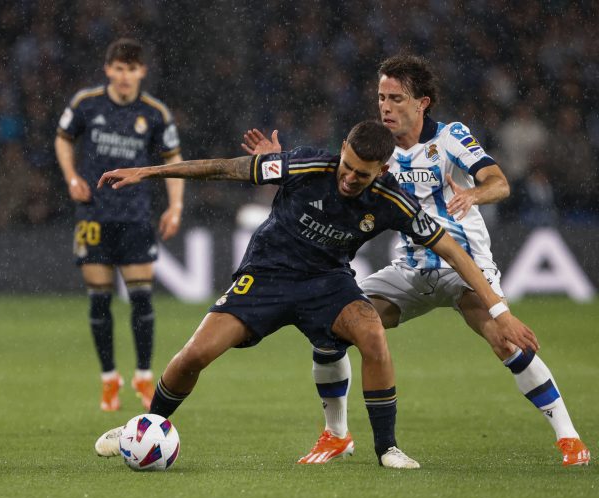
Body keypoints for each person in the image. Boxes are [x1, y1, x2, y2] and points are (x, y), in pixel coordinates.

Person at [93, 120, 539, 469]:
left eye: (361, 175)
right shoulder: (305, 164)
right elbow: (225, 168)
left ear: (381, 172)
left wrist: (499, 311)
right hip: (266, 275)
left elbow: (451, 249)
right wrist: (148, 171)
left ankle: (387, 448)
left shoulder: (393, 199)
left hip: (328, 282)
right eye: (346, 166)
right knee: (194, 356)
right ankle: (146, 426)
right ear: (342, 149)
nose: (348, 178)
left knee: (372, 335)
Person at [242, 54, 590, 467]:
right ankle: (336, 435)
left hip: (461, 266)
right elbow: (332, 184)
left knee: (505, 339)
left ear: (422, 102)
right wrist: (283, 168)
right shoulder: (375, 150)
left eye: (396, 98)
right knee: (329, 325)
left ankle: (569, 439)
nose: (385, 106)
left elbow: (499, 182)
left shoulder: (451, 138)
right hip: (408, 269)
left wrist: (473, 194)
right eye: (380, 97)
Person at [54, 38, 185, 412]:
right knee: (99, 299)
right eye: (119, 68)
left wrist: (175, 206)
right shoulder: (86, 104)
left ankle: (144, 377)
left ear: (142, 71)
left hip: (135, 216)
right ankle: (109, 379)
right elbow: (63, 139)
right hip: (94, 214)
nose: (125, 76)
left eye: (132, 69)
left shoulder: (154, 112)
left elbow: (174, 159)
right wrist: (71, 177)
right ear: (108, 69)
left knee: (141, 297)